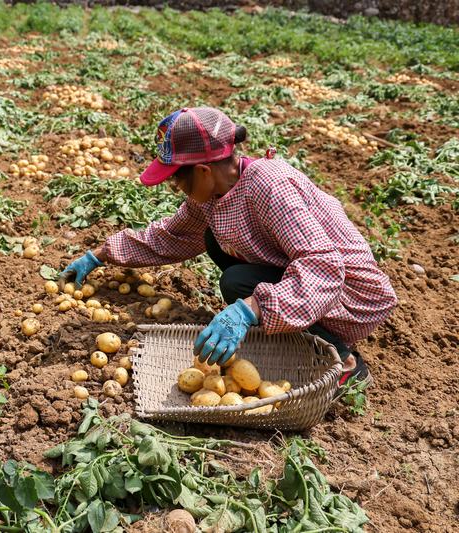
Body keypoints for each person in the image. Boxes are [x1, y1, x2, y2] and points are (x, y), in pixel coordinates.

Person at [59, 107, 397, 384]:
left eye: (177, 177)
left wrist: (250, 307)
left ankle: (344, 358)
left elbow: (322, 266)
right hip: (308, 277)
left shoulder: (270, 187)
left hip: (348, 292)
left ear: (204, 170)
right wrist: (100, 255)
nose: (175, 186)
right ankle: (282, 323)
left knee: (237, 284)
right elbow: (172, 235)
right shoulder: (215, 192)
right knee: (212, 240)